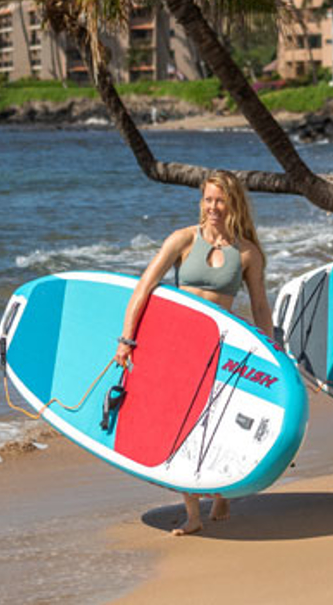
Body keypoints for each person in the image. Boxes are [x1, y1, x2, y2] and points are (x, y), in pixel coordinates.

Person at [114, 170, 274, 535]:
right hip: (181, 346)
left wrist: (272, 351)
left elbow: (261, 306)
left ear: (232, 203)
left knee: (217, 423)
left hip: (222, 348)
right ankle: (193, 514)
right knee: (179, 425)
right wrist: (127, 338)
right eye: (208, 200)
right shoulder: (183, 240)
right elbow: (143, 289)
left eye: (219, 200)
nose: (213, 207)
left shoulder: (247, 252)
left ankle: (222, 491)